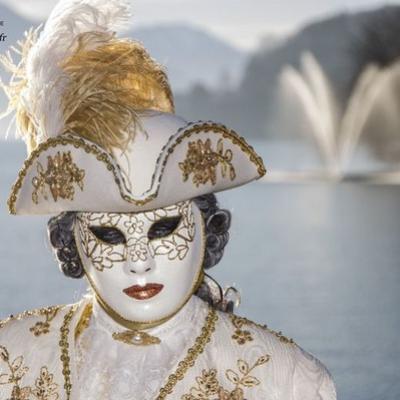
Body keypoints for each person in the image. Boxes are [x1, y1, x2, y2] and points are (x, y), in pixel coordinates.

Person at [0, 1, 337, 399]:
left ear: (207, 229)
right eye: (108, 234)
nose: (139, 260)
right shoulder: (11, 359)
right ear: (72, 241)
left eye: (164, 228)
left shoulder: (285, 380)